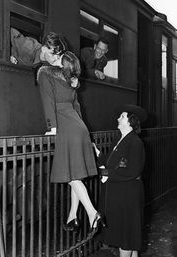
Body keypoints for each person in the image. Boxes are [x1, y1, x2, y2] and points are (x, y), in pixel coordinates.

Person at [37, 51, 105, 233]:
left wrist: (52, 128)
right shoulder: (71, 81)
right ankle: (72, 216)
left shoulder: (45, 73)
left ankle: (92, 214)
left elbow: (47, 102)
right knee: (75, 174)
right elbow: (77, 107)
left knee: (72, 177)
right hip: (79, 126)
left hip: (66, 127)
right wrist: (87, 137)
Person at [96, 104, 147, 257]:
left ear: (131, 121)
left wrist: (106, 174)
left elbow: (131, 170)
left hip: (128, 196)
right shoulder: (120, 139)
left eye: (122, 116)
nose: (118, 118)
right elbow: (112, 161)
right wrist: (97, 153)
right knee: (129, 238)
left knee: (126, 238)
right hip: (121, 195)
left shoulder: (135, 142)